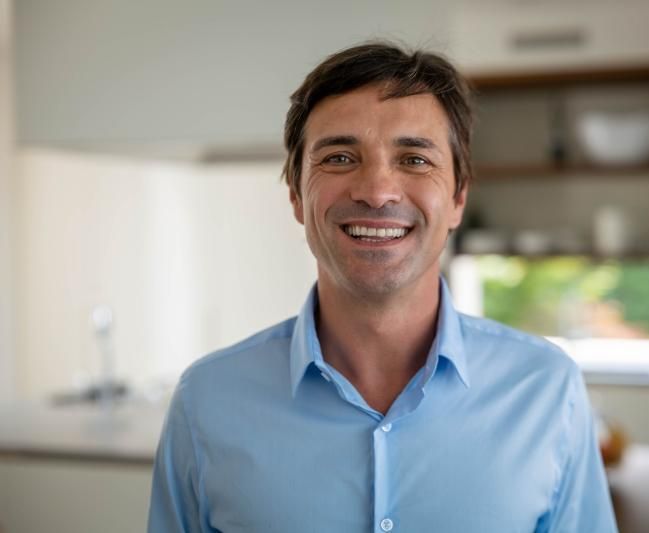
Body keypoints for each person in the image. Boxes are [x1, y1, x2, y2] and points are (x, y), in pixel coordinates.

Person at [148, 42, 617, 533]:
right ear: (295, 195)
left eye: (414, 160)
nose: (376, 191)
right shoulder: (206, 402)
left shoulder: (546, 391)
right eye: (340, 157)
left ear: (458, 197)